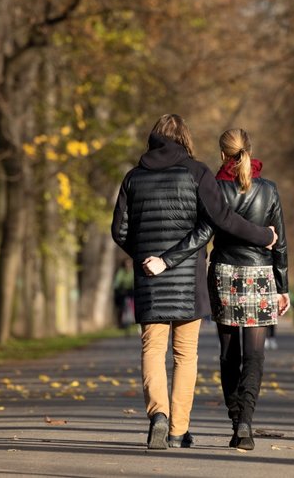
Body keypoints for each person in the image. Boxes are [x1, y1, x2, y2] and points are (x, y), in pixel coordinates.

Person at [111, 115, 276, 450]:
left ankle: (157, 415)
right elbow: (218, 222)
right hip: (188, 280)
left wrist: (147, 255)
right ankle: (176, 430)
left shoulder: (133, 177)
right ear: (184, 138)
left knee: (153, 350)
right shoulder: (197, 172)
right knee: (185, 355)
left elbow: (119, 231)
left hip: (148, 276)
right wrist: (263, 236)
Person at [150, 128, 289, 451]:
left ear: (221, 153)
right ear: (249, 151)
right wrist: (282, 286)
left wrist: (169, 259)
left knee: (228, 354)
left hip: (224, 273)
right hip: (260, 274)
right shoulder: (269, 190)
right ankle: (246, 423)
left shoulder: (214, 187)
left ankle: (233, 414)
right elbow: (279, 241)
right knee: (255, 355)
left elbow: (204, 232)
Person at [112, 258, 134, 331]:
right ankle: (120, 321)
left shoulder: (133, 271)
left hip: (131, 290)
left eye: (129, 264)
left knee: (134, 303)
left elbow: (135, 280)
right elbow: (117, 281)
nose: (128, 265)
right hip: (123, 290)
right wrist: (117, 288)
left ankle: (134, 318)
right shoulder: (121, 271)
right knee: (121, 305)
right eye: (126, 264)